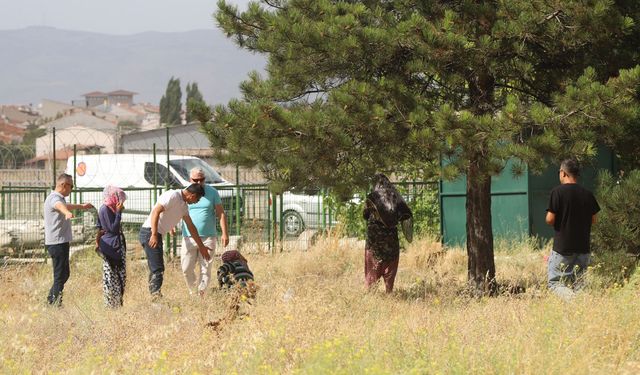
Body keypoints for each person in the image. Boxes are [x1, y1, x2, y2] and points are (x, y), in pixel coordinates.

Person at [139, 183, 212, 300]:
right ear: (192, 195)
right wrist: (153, 234)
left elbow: (191, 227)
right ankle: (155, 299)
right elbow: (156, 212)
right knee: (157, 269)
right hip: (150, 233)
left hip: (156, 234)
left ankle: (154, 296)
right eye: (197, 199)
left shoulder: (183, 206)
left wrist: (201, 246)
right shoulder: (173, 196)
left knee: (156, 268)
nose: (197, 202)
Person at [545, 158, 600, 300]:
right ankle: (582, 306)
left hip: (563, 248)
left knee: (555, 283)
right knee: (579, 283)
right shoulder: (587, 194)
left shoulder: (557, 192)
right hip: (583, 247)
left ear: (563, 173)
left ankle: (573, 301)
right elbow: (594, 219)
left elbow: (550, 219)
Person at [44, 173, 94, 306]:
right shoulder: (54, 198)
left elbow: (65, 205)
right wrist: (66, 213)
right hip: (57, 242)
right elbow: (59, 206)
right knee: (60, 275)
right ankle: (54, 304)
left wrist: (81, 206)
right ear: (63, 185)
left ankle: (51, 300)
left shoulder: (58, 198)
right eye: (71, 186)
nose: (72, 189)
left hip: (61, 242)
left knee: (64, 274)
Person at [181, 168, 229, 295]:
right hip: (188, 236)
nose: (198, 182)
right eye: (195, 180)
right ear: (189, 180)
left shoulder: (212, 192)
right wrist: (172, 226)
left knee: (206, 268)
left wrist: (225, 233)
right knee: (186, 268)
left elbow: (221, 214)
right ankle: (193, 292)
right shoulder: (186, 193)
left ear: (205, 179)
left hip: (208, 237)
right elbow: (176, 210)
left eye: (201, 180)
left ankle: (201, 294)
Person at [362, 173, 413, 293]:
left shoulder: (372, 198)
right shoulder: (396, 198)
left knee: (372, 271)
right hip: (391, 242)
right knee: (390, 270)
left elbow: (365, 215)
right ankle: (389, 293)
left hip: (375, 242)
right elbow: (405, 216)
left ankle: (371, 294)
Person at [96, 185, 127, 308]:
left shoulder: (111, 209)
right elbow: (113, 229)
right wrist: (118, 213)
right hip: (111, 247)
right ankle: (111, 304)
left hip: (116, 245)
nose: (121, 203)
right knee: (111, 277)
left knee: (120, 276)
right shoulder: (105, 209)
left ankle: (117, 303)